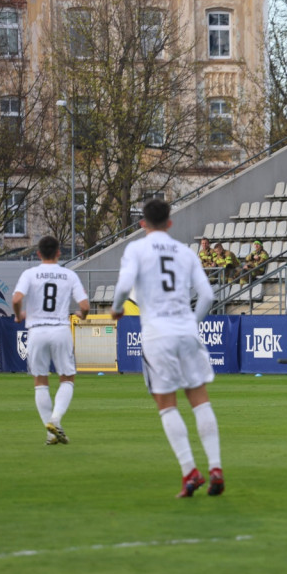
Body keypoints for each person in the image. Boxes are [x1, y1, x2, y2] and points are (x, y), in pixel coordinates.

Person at [110, 199, 224, 498]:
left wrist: (116, 308)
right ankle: (215, 468)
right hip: (186, 330)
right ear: (170, 223)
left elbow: (123, 286)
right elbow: (208, 295)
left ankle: (191, 471)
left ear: (142, 224)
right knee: (200, 400)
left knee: (167, 405)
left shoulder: (136, 249)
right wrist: (191, 323)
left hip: (157, 333)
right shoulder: (185, 252)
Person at [12, 235, 90, 445]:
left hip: (37, 331)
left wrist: (19, 315)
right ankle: (55, 420)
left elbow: (16, 299)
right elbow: (84, 306)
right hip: (60, 330)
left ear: (38, 253)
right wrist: (82, 315)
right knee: (67, 377)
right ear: (58, 253)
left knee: (40, 381)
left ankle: (50, 430)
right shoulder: (68, 275)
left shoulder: (30, 274)